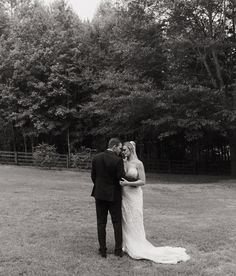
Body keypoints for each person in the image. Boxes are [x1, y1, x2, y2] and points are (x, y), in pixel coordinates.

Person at [120, 141, 190, 264]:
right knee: (125, 218)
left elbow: (143, 181)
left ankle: (137, 243)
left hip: (134, 194)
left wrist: (128, 183)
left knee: (135, 217)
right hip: (124, 194)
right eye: (123, 150)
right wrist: (124, 164)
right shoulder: (123, 162)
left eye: (125, 149)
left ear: (131, 150)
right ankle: (126, 244)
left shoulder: (138, 163)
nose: (123, 151)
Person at [91, 138, 125, 258]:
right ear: (114, 146)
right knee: (117, 223)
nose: (120, 150)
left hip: (99, 194)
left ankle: (103, 250)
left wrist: (100, 187)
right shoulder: (118, 160)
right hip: (114, 196)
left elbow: (93, 177)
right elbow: (121, 179)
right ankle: (118, 250)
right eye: (120, 148)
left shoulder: (96, 158)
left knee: (101, 223)